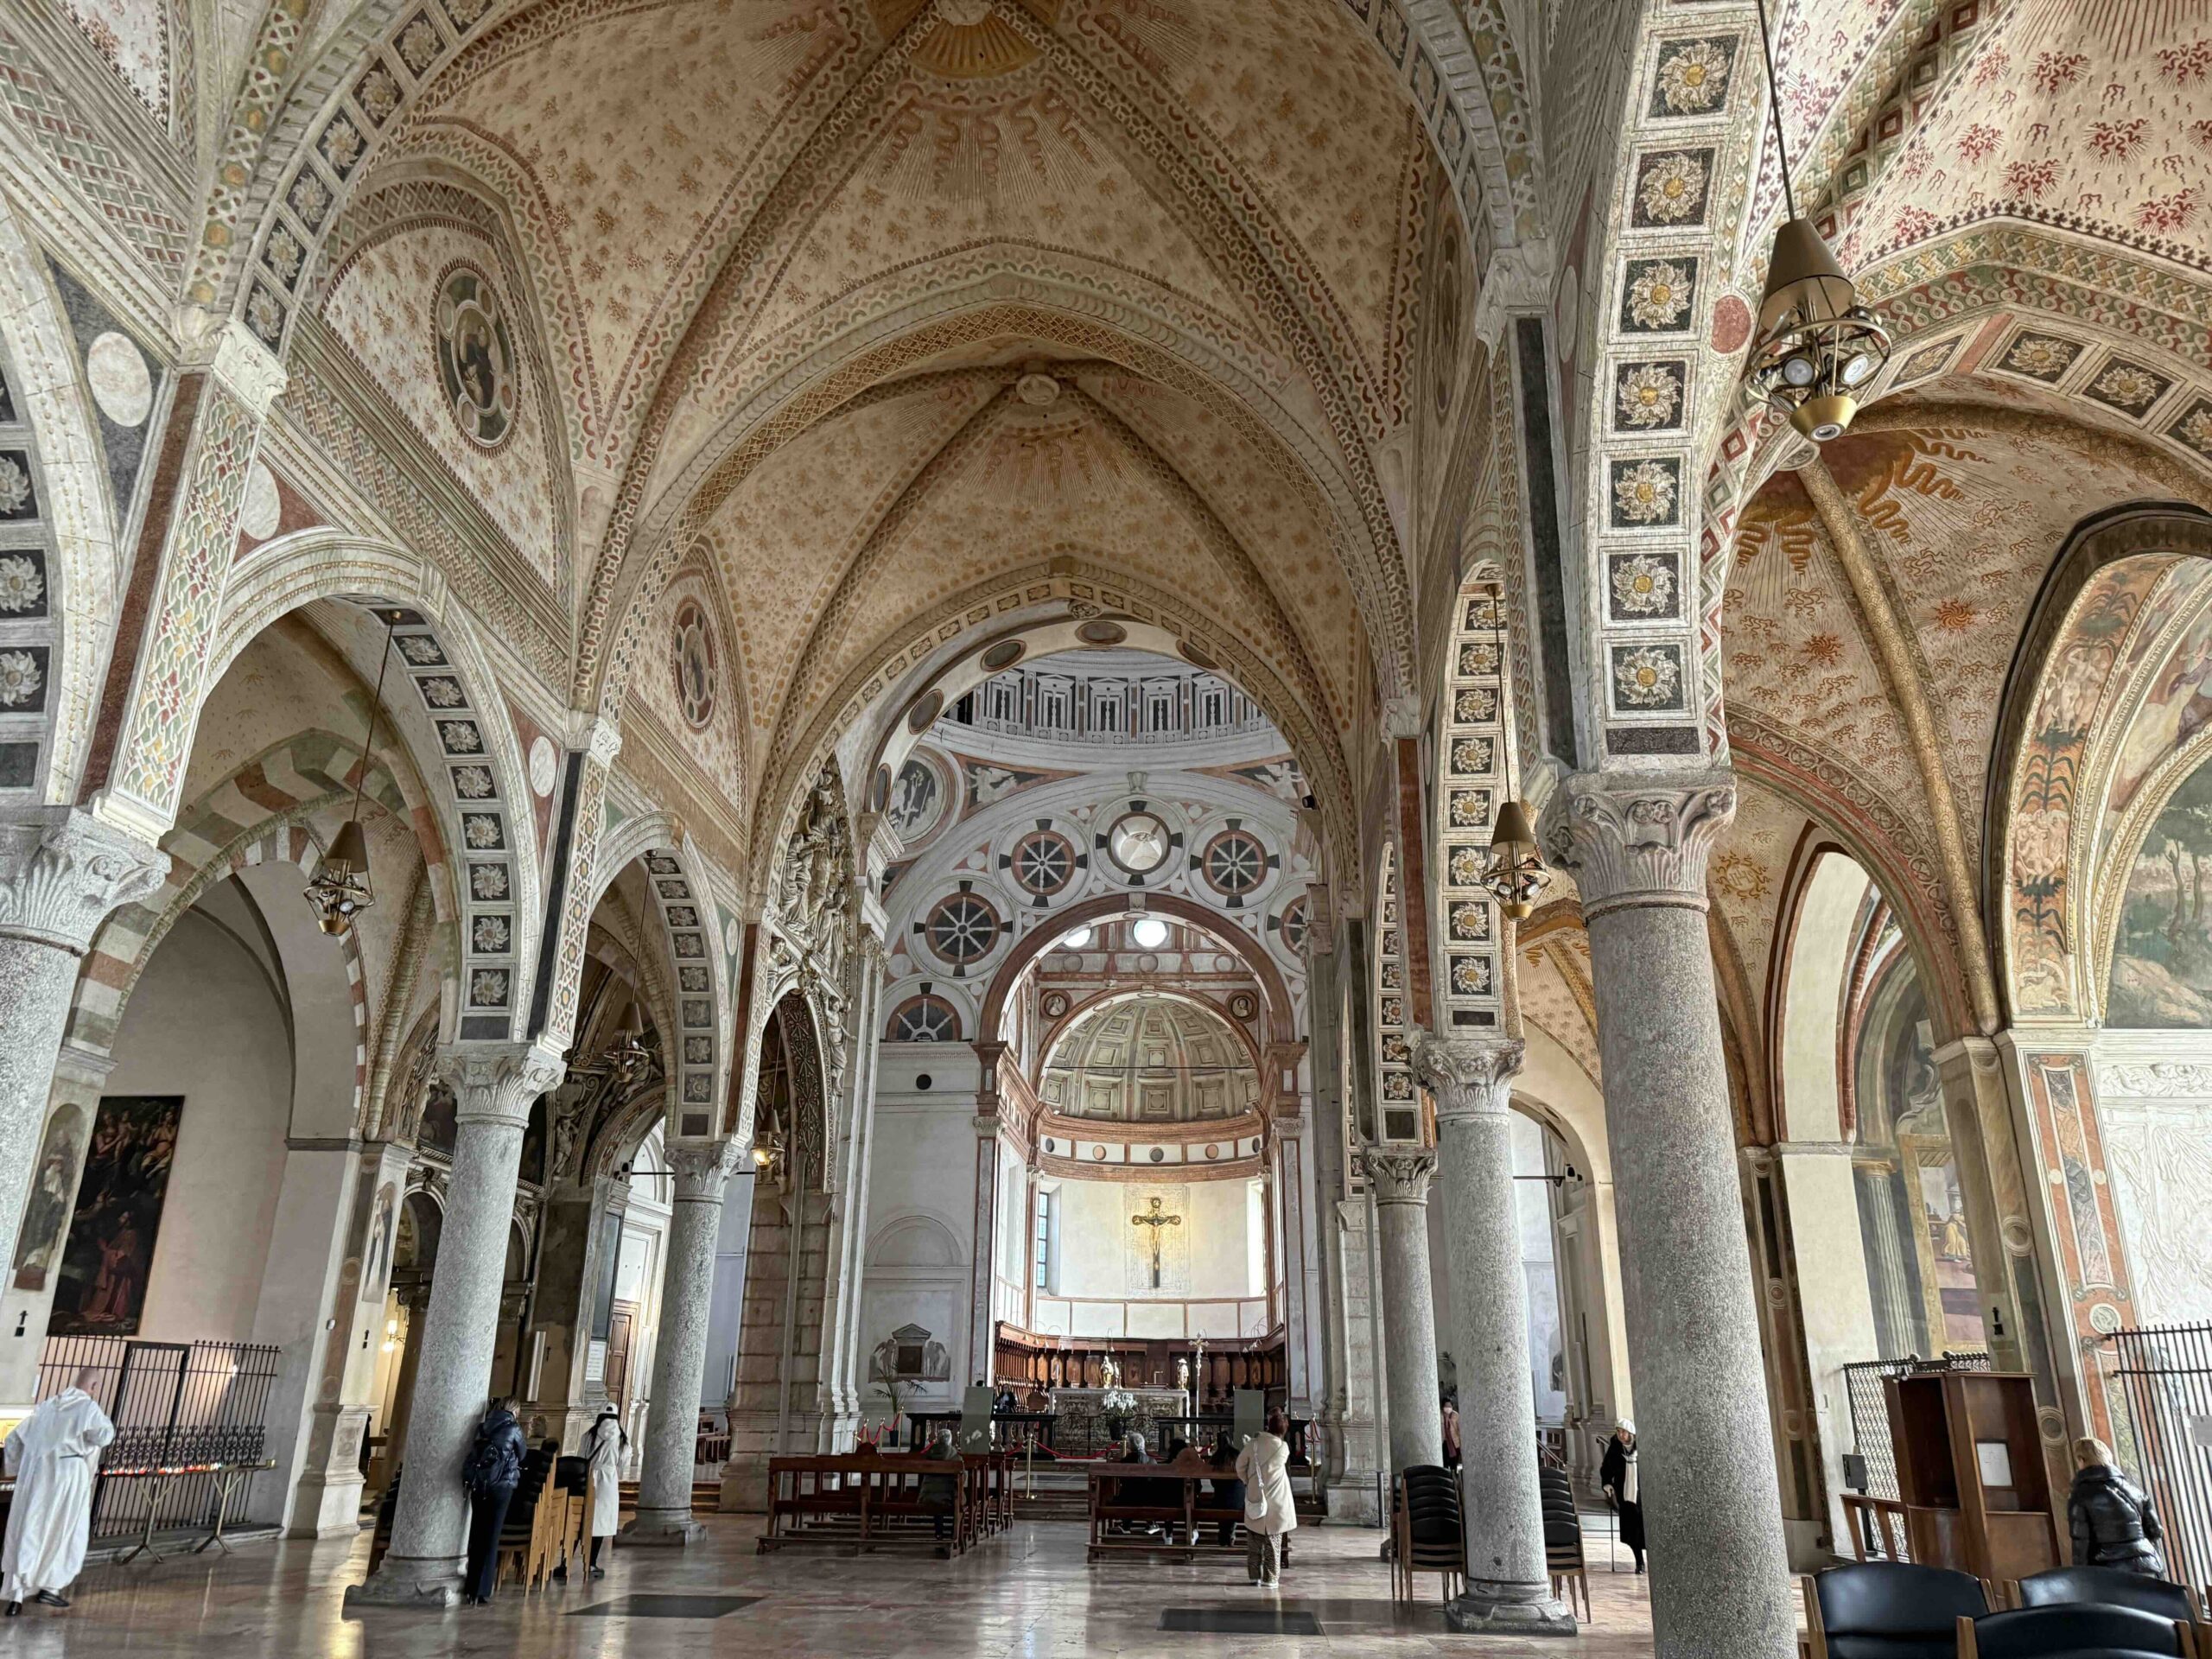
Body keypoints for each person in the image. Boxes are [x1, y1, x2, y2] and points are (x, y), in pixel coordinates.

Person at [3, 1371, 114, 1614]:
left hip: (35, 1476)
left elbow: (13, 1439)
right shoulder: (88, 1408)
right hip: (66, 1475)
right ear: (93, 1387)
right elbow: (104, 1436)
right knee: (63, 1530)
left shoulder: (45, 1407)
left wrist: (16, 1468)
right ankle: (50, 1588)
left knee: (30, 1529)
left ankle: (17, 1594)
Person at [2069, 1437, 2166, 1578]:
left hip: (2112, 1574)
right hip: (2149, 1567)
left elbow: (2081, 1544)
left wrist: (2081, 1577)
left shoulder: (2080, 1495)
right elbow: (2156, 1532)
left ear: (2081, 1460)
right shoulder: (2136, 1491)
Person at [461, 1397, 526, 1605]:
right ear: (515, 1410)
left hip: (480, 1484)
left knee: (477, 1533)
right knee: (491, 1536)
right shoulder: (513, 1427)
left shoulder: (483, 1426)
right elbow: (522, 1454)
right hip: (502, 1485)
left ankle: (470, 1587)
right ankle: (481, 1590)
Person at [1234, 1410, 1297, 1588]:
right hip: (1277, 1501)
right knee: (1273, 1543)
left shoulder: (1253, 1445)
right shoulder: (1283, 1448)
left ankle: (1254, 1576)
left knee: (1254, 1542)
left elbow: (1239, 1465)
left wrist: (1248, 1480)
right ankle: (1271, 1578)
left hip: (1256, 1495)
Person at [582, 1408, 626, 1577]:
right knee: (600, 1522)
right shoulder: (621, 1438)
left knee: (581, 1518)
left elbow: (582, 1456)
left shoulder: (589, 1435)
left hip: (589, 1477)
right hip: (608, 1479)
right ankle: (592, 1563)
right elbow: (622, 1462)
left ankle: (565, 1563)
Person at [1601, 1419, 1643, 1574]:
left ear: (1630, 1433)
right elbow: (1606, 1468)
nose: (1620, 1435)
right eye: (1618, 1431)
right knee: (1632, 1532)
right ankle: (1639, 1562)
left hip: (1642, 1497)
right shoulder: (1615, 1448)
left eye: (1623, 1432)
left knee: (1644, 1530)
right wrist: (1607, 1483)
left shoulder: (1642, 1446)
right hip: (1625, 1496)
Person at [920, 1427, 960, 1541]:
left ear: (938, 1440)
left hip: (928, 1496)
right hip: (948, 1497)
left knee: (936, 1499)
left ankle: (939, 1533)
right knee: (956, 1498)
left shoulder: (929, 1453)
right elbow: (963, 1475)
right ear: (950, 1440)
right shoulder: (955, 1456)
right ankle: (953, 1532)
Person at [1207, 1431, 1244, 1548]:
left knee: (1222, 1501)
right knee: (1232, 1499)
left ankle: (1224, 1536)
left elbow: (1213, 1482)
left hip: (1220, 1501)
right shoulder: (1238, 1455)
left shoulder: (1216, 1457)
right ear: (1231, 1441)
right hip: (1238, 1501)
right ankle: (1230, 1534)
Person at [1440, 1395, 1462, 1469]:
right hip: (1444, 1442)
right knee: (1445, 1462)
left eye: (1449, 1406)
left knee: (1454, 1463)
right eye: (1446, 1406)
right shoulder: (1440, 1415)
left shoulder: (1455, 1415)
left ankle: (1454, 1477)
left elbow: (1459, 1429)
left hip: (1454, 1442)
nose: (1448, 1408)